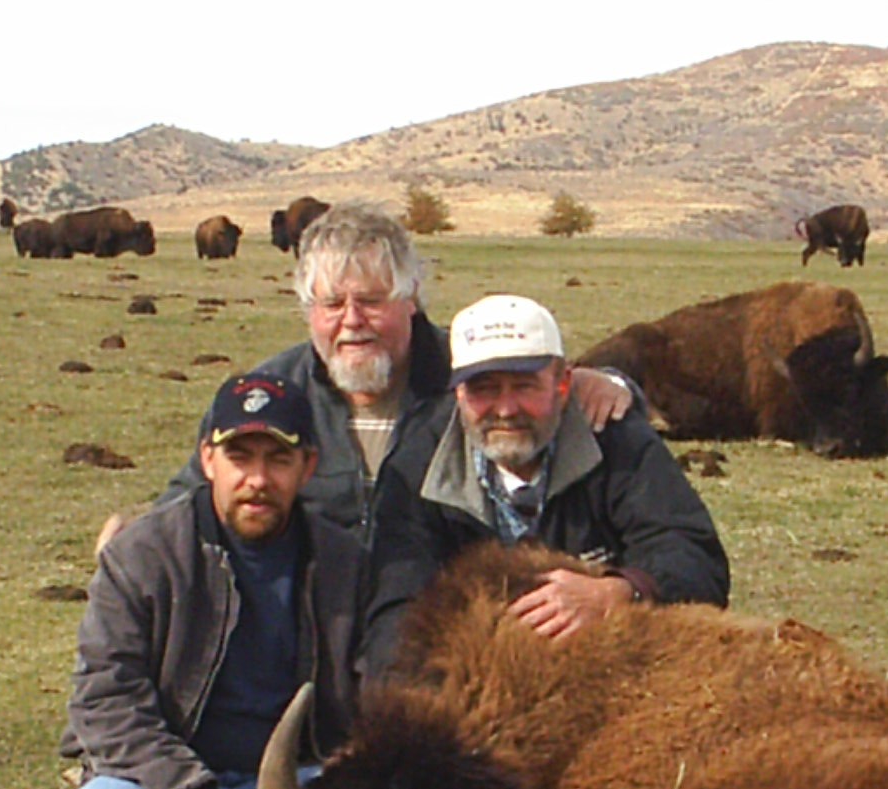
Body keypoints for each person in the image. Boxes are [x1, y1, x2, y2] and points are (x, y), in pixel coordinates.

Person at [59, 373, 364, 789]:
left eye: (278, 459)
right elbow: (105, 696)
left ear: (308, 467)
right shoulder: (142, 555)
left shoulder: (345, 561)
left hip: (299, 779)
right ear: (207, 460)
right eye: (240, 457)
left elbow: (376, 684)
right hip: (161, 783)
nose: (258, 479)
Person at [157, 202, 636, 541]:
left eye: (370, 300)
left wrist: (606, 382)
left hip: (448, 622)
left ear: (411, 299)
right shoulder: (273, 396)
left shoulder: (473, 374)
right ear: (308, 312)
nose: (351, 321)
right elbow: (195, 495)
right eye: (332, 303)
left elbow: (544, 390)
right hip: (314, 627)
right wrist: (138, 536)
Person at [363, 293, 729, 676]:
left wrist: (617, 593)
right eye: (484, 388)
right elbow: (394, 604)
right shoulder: (417, 461)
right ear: (458, 393)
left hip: (611, 672)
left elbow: (695, 558)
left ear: (563, 383)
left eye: (524, 386)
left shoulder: (617, 442)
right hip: (469, 678)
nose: (505, 409)